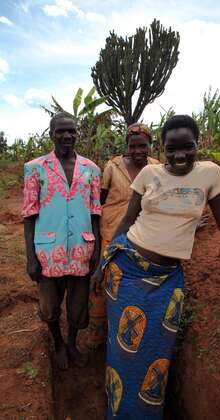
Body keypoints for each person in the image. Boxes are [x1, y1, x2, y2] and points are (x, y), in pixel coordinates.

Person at [93, 115, 220, 419]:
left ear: (199, 144)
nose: (180, 155)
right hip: (127, 271)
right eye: (172, 149)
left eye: (188, 147)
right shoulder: (148, 173)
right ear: (163, 147)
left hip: (168, 279)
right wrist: (102, 263)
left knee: (156, 359)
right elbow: (127, 221)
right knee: (123, 352)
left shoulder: (210, 174)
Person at [23, 112, 101, 370]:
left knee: (78, 305)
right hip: (48, 249)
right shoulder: (35, 168)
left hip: (81, 247)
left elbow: (95, 213)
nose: (67, 136)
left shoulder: (91, 169)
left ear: (77, 134)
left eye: (72, 131)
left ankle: (71, 343)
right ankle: (57, 343)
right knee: (50, 305)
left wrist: (96, 250)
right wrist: (30, 257)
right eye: (61, 131)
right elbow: (30, 214)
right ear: (51, 133)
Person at [89, 123, 159, 346]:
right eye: (133, 146)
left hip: (142, 237)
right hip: (112, 231)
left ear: (150, 146)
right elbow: (101, 199)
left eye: (143, 146)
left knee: (130, 286)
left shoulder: (157, 168)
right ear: (127, 146)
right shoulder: (113, 166)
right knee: (102, 280)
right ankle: (98, 333)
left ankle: (129, 332)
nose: (138, 151)